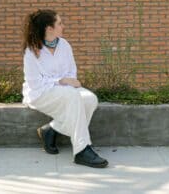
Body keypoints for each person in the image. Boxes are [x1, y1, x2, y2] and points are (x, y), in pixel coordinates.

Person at [22, 9, 108, 168]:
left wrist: (68, 81)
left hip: (65, 90)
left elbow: (71, 71)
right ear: (49, 28)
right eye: (60, 23)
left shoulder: (64, 45)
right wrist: (60, 81)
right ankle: (81, 150)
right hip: (40, 94)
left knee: (90, 99)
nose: (63, 26)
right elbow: (35, 83)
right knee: (72, 95)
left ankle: (52, 129)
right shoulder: (31, 51)